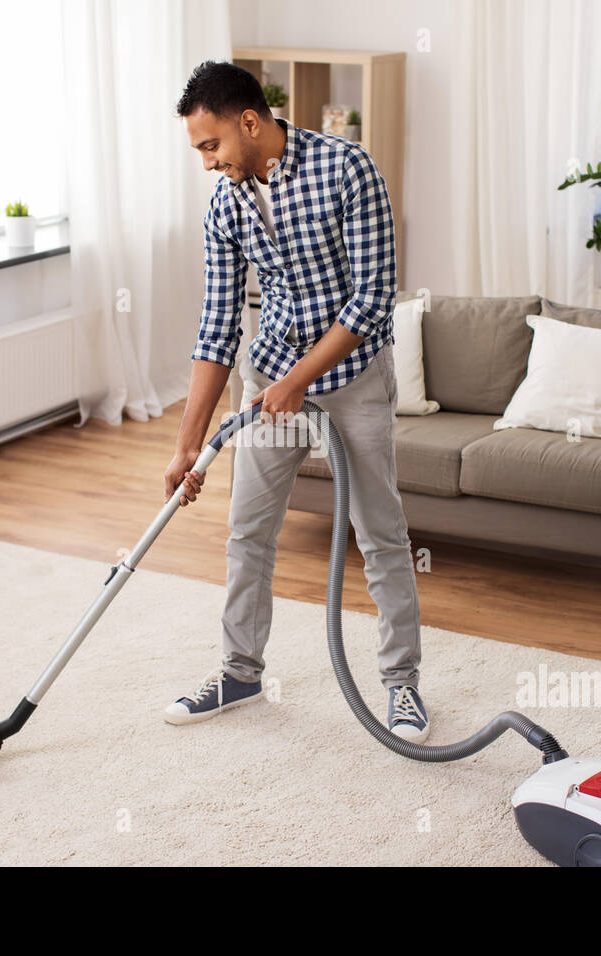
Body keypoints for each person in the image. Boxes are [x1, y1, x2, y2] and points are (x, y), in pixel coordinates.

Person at [163, 60, 427, 742]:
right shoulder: (225, 202)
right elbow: (218, 325)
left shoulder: (346, 168)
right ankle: (240, 670)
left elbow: (371, 297)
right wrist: (189, 443)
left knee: (380, 535)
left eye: (210, 145)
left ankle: (401, 687)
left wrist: (302, 380)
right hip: (272, 380)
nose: (206, 162)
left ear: (249, 122)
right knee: (248, 531)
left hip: (353, 379)